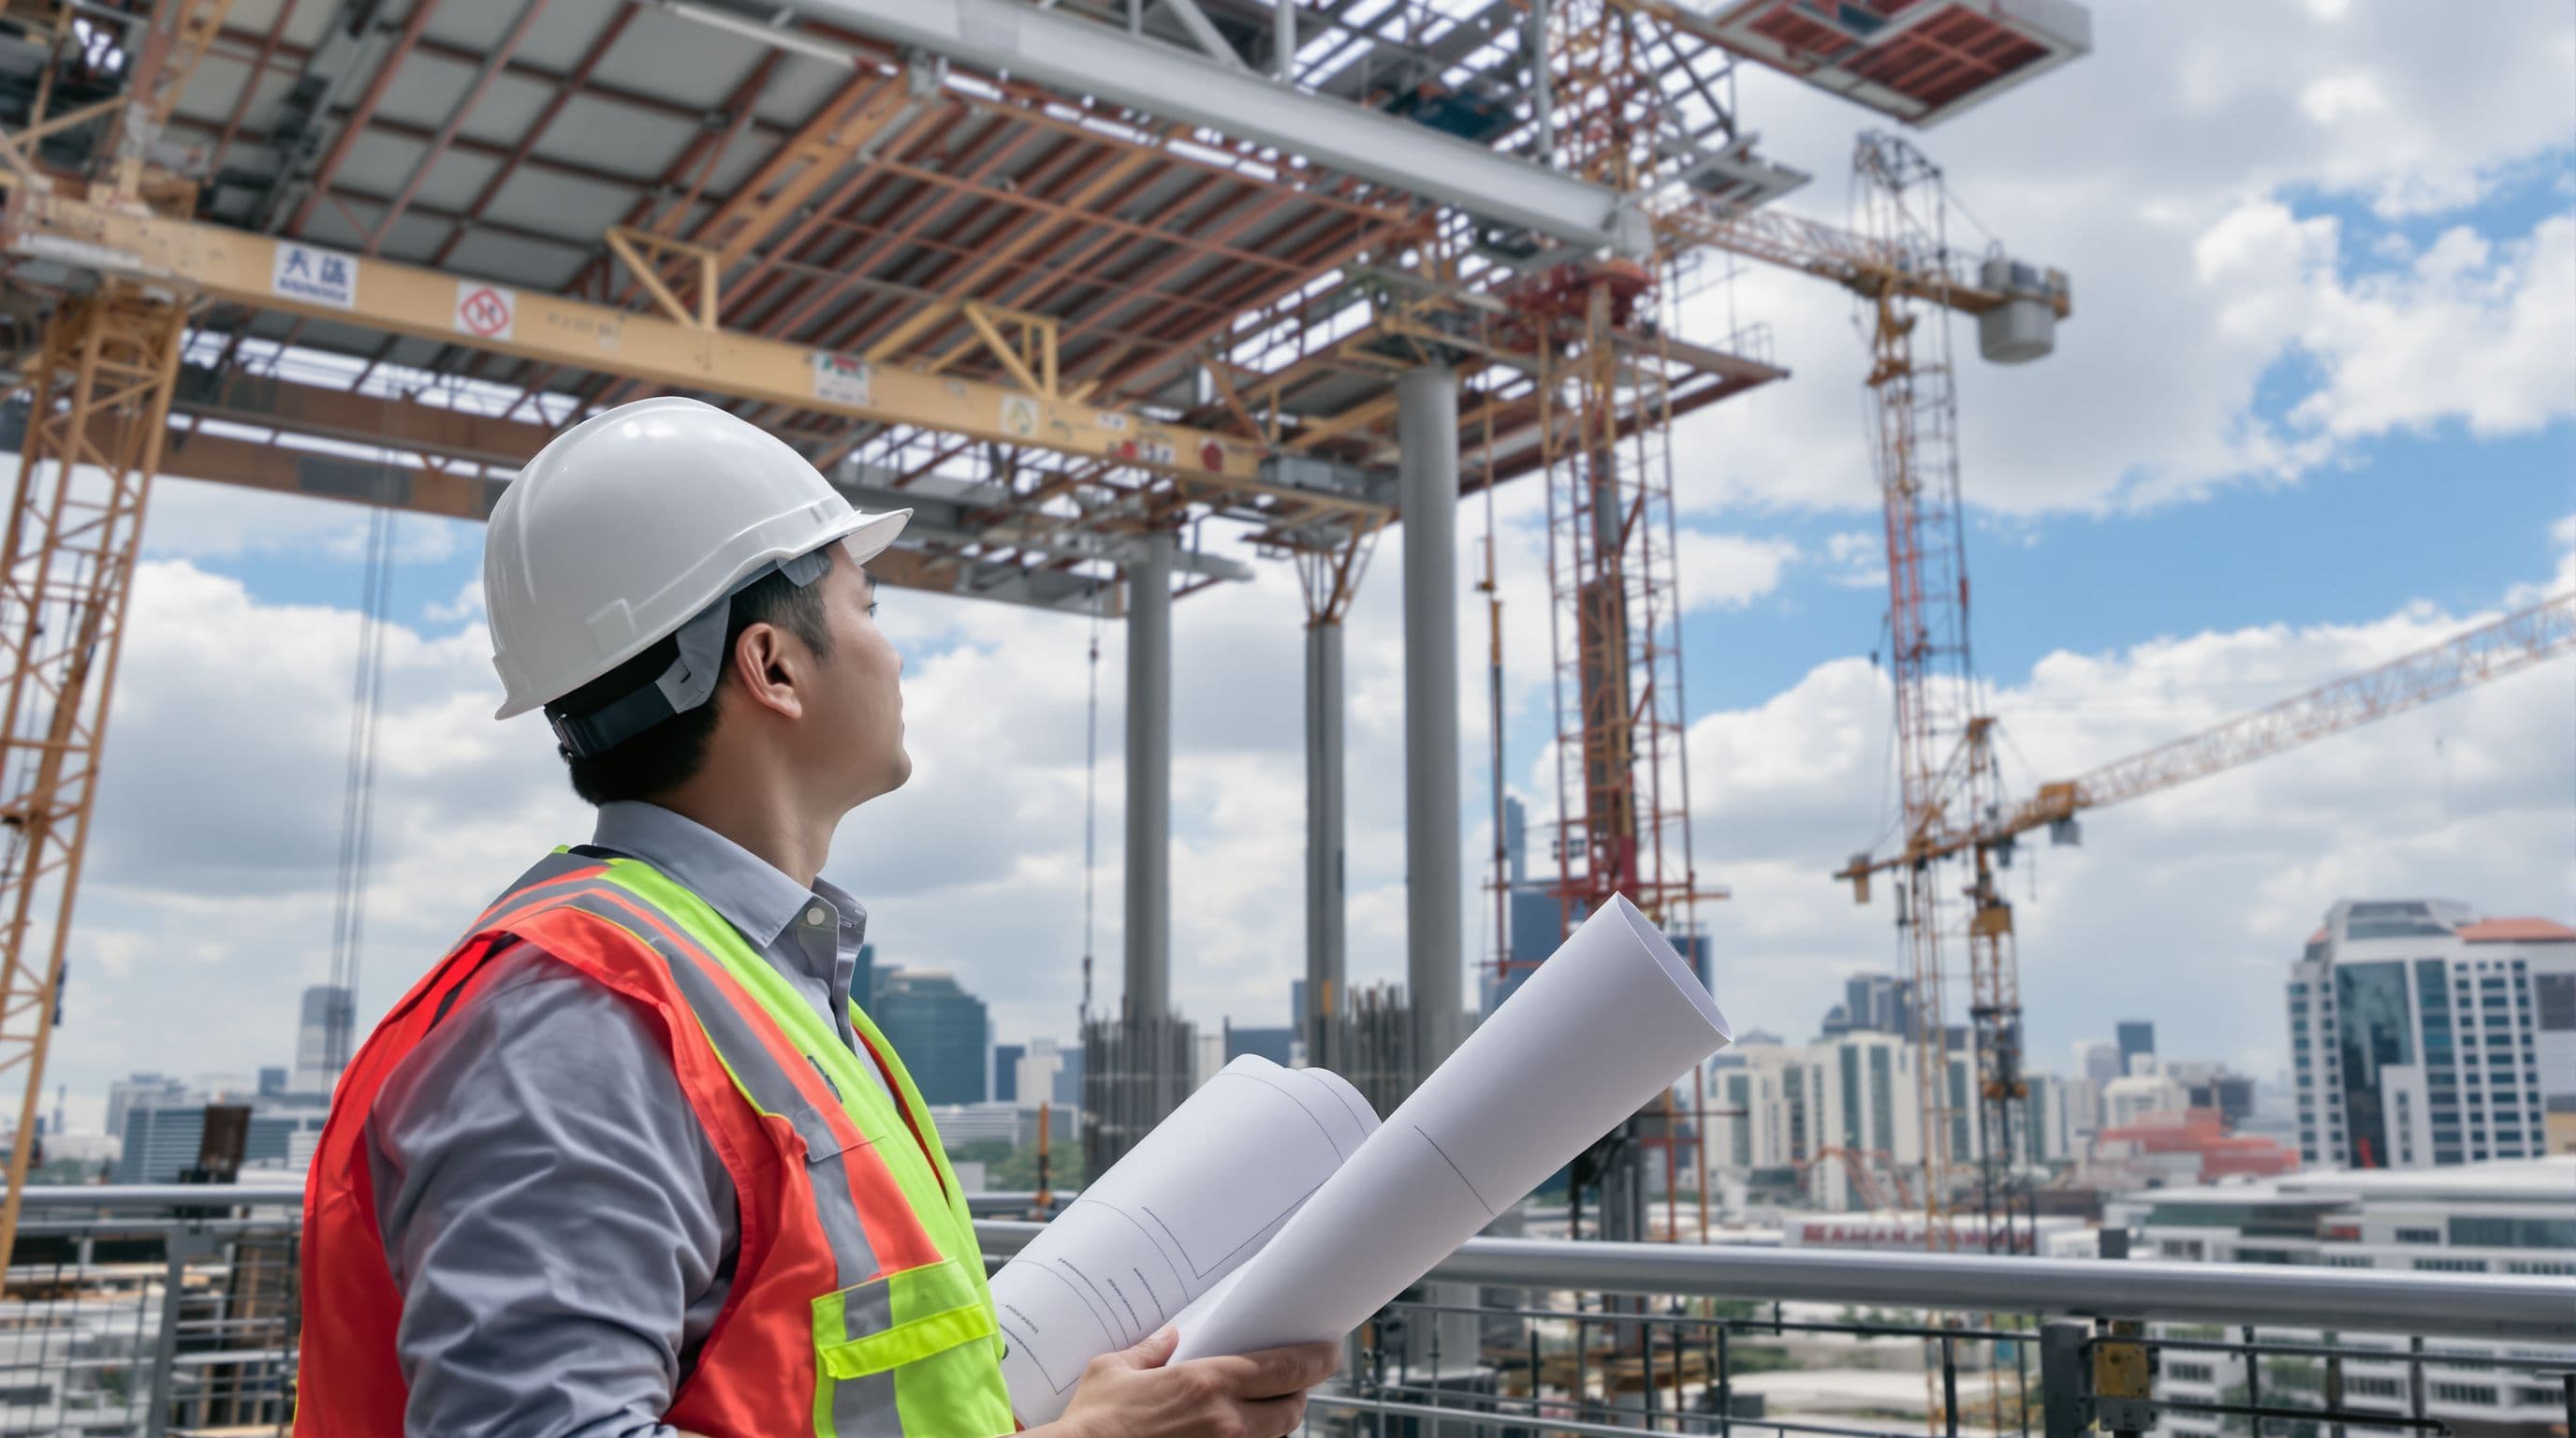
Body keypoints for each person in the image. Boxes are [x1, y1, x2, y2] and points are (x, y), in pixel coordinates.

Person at [295, 396, 1339, 1436]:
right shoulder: (578, 1017)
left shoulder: (761, 987)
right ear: (773, 665)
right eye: (868, 607)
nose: (892, 654)